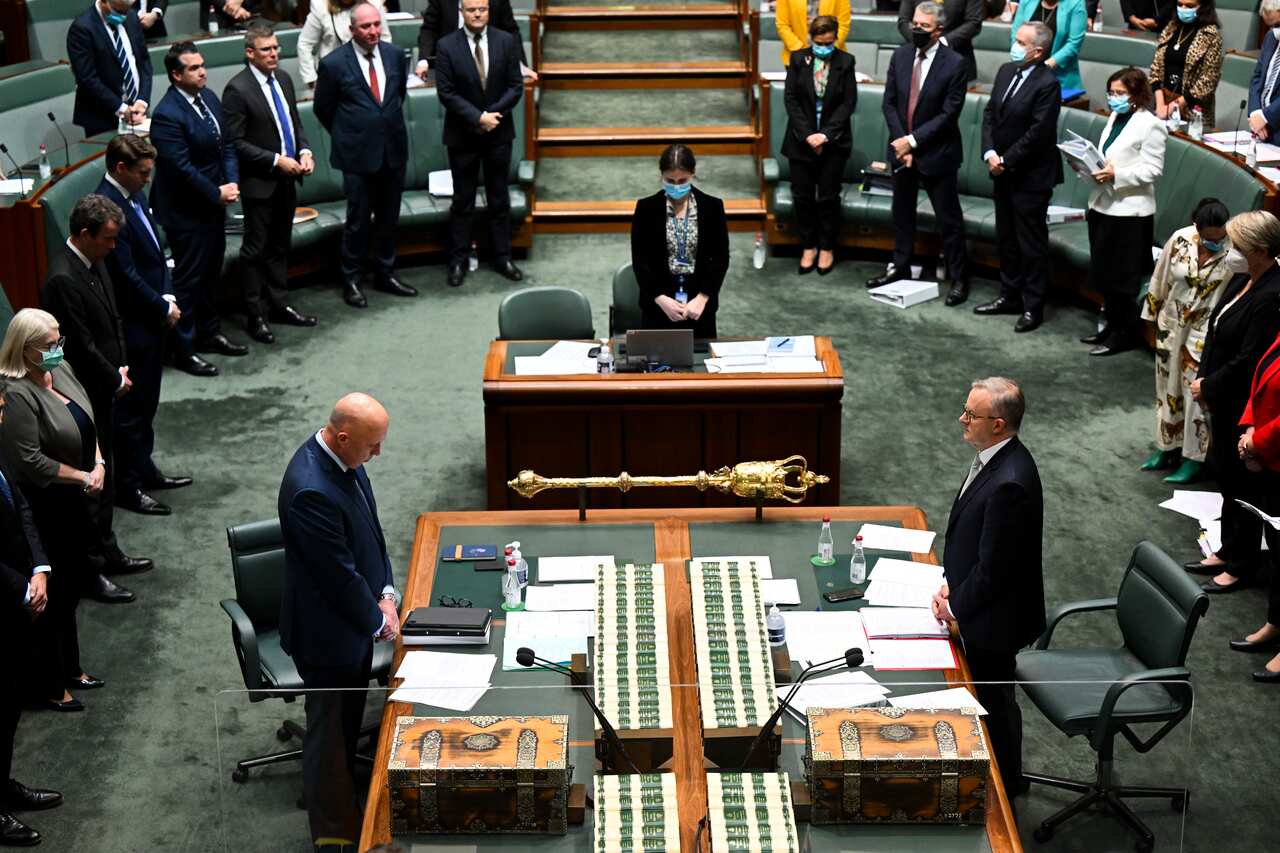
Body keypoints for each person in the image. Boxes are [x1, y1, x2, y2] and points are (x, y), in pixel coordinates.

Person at [279, 393, 399, 849]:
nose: (377, 454)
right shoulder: (311, 488)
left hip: (354, 618)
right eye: (372, 446)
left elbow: (371, 532)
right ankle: (335, 834)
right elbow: (337, 577)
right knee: (329, 737)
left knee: (346, 722)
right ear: (343, 437)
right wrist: (378, 620)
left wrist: (386, 593)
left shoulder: (346, 458)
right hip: (326, 636)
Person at [932, 377, 1044, 796]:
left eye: (971, 414)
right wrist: (952, 584)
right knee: (990, 702)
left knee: (993, 706)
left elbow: (995, 571)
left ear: (998, 424)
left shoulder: (1010, 482)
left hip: (996, 621)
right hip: (979, 602)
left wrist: (954, 605)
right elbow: (979, 542)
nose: (962, 418)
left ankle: (1005, 790)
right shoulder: (993, 456)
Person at [0, 309, 111, 712]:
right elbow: (30, 461)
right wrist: (83, 476)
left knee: (73, 587)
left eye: (58, 340)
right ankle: (51, 682)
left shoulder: (59, 366)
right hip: (48, 504)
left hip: (77, 497)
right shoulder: (14, 394)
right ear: (25, 350)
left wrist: (97, 463)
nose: (57, 349)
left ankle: (73, 667)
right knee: (54, 593)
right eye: (49, 345)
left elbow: (87, 420)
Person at [40, 194, 149, 602]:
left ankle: (109, 551)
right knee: (91, 482)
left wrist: (120, 367)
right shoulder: (62, 279)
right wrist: (113, 378)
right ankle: (91, 571)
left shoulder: (92, 260)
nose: (112, 247)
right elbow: (78, 346)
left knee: (110, 470)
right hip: (83, 396)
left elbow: (112, 317)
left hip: (106, 386)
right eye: (106, 239)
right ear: (84, 234)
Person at [95, 135, 193, 518]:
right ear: (121, 168)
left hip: (153, 315)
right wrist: (159, 304)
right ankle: (128, 486)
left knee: (148, 402)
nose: (147, 180)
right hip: (133, 325)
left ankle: (144, 467)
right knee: (132, 411)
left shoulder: (133, 193)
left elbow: (154, 250)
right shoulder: (107, 204)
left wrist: (167, 295)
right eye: (142, 173)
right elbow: (125, 274)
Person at [1187, 210, 1280, 594]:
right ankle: (1226, 549)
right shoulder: (1243, 277)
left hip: (1243, 403)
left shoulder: (1273, 293)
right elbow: (1217, 330)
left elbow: (1250, 357)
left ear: (1259, 250)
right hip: (1219, 395)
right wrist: (1203, 381)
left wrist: (1209, 387)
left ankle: (1241, 565)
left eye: (1237, 245)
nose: (1230, 251)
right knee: (1225, 477)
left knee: (1243, 487)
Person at [150, 42, 248, 377]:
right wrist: (215, 192)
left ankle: (210, 333)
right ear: (176, 75)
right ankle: (184, 348)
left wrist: (231, 183)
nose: (203, 72)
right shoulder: (166, 114)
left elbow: (228, 146)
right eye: (194, 68)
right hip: (185, 210)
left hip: (213, 204)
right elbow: (180, 168)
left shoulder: (208, 98)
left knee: (210, 272)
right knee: (189, 280)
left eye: (202, 65)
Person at [314, 2, 418, 309]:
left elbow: (395, 98)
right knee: (357, 221)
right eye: (365, 27)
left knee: (389, 218)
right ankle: (352, 280)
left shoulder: (395, 56)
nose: (372, 31)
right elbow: (324, 109)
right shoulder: (334, 64)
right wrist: (352, 135)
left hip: (393, 152)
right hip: (357, 156)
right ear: (352, 29)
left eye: (376, 24)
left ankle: (386, 273)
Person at [222, 23, 321, 346]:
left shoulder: (285, 79)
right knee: (255, 251)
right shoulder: (237, 89)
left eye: (276, 48)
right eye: (267, 49)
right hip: (259, 184)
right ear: (250, 53)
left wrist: (304, 150)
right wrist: (276, 160)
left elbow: (294, 122)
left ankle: (280, 304)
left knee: (280, 245)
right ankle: (256, 315)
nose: (274, 54)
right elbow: (235, 142)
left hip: (288, 181)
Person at [867, 1, 971, 306]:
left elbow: (948, 114)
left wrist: (912, 142)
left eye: (923, 26)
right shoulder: (900, 55)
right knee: (901, 215)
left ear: (939, 30)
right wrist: (902, 142)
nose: (916, 29)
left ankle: (959, 278)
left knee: (949, 221)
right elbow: (889, 103)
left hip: (937, 153)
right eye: (914, 23)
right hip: (902, 151)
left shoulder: (955, 63)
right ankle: (899, 268)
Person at [1139, 198, 1244, 483]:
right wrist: (1150, 318)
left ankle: (1193, 459)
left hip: (1203, 332)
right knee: (1166, 391)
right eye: (1209, 238)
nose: (1215, 243)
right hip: (1171, 326)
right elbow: (1160, 279)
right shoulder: (1180, 239)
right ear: (1197, 228)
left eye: (1220, 238)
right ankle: (1166, 447)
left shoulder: (1235, 250)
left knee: (1195, 397)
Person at [0, 403, 62, 849]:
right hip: (4, 594)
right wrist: (22, 586)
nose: (4, 409)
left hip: (17, 594)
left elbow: (20, 505)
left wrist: (39, 566)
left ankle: (2, 786)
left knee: (9, 703)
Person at [976, 21, 1062, 333]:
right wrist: (989, 153)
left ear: (1037, 51)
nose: (1014, 44)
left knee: (1030, 244)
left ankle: (1032, 306)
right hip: (1002, 171)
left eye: (1021, 41)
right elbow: (989, 115)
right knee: (1007, 239)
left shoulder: (1047, 84)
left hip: (1031, 177)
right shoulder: (1005, 71)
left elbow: (1038, 133)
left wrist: (1007, 160)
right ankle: (1009, 295)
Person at [435, 0, 526, 288]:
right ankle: (458, 260)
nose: (477, 14)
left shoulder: (506, 41)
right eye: (472, 9)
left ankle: (502, 256)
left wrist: (491, 116)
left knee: (499, 198)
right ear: (461, 11)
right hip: (462, 136)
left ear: (489, 10)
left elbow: (516, 85)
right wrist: (478, 118)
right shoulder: (447, 45)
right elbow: (446, 93)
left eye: (482, 9)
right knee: (463, 201)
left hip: (498, 133)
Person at [1082, 67, 1167, 356]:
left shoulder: (1150, 124)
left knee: (1122, 278)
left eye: (1120, 93)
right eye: (1111, 92)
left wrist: (1117, 175)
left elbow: (1153, 170)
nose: (1114, 98)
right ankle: (1111, 326)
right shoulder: (1116, 117)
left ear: (1136, 94)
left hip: (1130, 212)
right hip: (1102, 204)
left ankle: (1125, 333)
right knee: (1105, 273)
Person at [782, 15, 858, 277]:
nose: (823, 47)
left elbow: (848, 104)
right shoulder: (797, 59)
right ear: (811, 39)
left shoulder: (845, 62)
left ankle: (827, 247)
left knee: (827, 197)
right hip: (800, 141)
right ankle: (809, 246)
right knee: (802, 196)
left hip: (833, 143)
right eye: (818, 42)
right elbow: (791, 100)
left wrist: (824, 136)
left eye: (828, 42)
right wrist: (808, 136)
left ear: (835, 38)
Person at [630, 144, 730, 338]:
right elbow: (640, 260)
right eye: (670, 180)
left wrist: (703, 297)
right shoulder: (646, 208)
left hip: (699, 306)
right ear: (661, 175)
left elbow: (721, 258)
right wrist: (659, 298)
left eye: (682, 180)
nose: (676, 186)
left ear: (693, 174)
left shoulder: (712, 207)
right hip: (658, 304)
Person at [1233, 316, 1280, 683]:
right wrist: (1250, 427)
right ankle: (1276, 624)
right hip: (1270, 454)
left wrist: (1257, 442)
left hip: (1272, 447)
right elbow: (1261, 376)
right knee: (1278, 548)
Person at [67, 0, 153, 137]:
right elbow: (87, 79)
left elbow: (144, 62)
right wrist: (122, 108)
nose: (123, 16)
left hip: (137, 112)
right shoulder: (82, 28)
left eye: (127, 10)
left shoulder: (131, 17)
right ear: (104, 1)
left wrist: (142, 101)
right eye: (119, 11)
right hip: (102, 118)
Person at [415, 0, 535, 81]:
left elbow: (511, 31)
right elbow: (429, 29)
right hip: (450, 62)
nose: (477, 14)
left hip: (490, 62)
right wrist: (423, 61)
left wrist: (519, 64)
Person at [1149, 0, 1224, 127]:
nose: (1183, 8)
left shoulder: (1211, 35)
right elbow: (1155, 68)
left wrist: (1174, 106)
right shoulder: (1171, 27)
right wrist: (1161, 104)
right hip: (1163, 104)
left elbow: (1208, 81)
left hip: (1193, 111)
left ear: (1203, 7)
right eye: (1180, 4)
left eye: (1190, 6)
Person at [298, 0, 391, 89]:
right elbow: (304, 44)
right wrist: (312, 81)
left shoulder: (373, 4)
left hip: (368, 70)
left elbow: (385, 39)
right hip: (333, 74)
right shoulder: (320, 5)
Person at [1008, 0, 1086, 96]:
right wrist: (1020, 56)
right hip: (1025, 70)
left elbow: (1074, 43)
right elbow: (1016, 32)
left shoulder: (1075, 3)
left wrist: (1044, 67)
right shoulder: (1027, 1)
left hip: (1059, 78)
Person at [897, 0, 983, 81]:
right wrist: (921, 41)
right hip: (916, 58)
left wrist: (942, 43)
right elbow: (903, 21)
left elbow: (974, 22)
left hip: (956, 56)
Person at [775, 0, 851, 66]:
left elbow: (843, 25)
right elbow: (782, 25)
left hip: (833, 57)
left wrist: (829, 47)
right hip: (797, 58)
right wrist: (800, 50)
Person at [1248, 0, 1280, 142]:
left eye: (1278, 25)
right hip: (1261, 128)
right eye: (1271, 26)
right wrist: (1255, 113)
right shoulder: (1270, 37)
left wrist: (1266, 116)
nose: (1275, 30)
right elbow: (1257, 77)